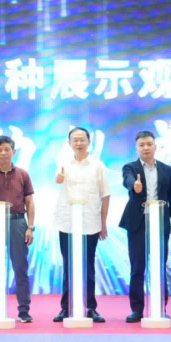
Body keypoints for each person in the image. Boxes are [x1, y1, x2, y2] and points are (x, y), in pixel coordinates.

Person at [119, 130, 171, 323]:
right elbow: (127, 180)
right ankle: (137, 310)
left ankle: (160, 307)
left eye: (149, 144)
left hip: (160, 223)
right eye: (142, 145)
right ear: (137, 148)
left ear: (155, 146)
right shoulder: (130, 167)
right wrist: (134, 186)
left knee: (160, 266)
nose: (146, 148)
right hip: (138, 223)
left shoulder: (166, 169)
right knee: (137, 268)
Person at [53, 127, 110, 324]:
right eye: (75, 140)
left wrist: (103, 223)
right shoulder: (63, 164)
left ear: (89, 142)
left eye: (82, 140)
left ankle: (90, 307)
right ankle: (66, 308)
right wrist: (59, 179)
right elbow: (57, 180)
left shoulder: (98, 166)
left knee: (88, 266)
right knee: (69, 266)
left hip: (90, 223)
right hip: (67, 223)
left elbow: (105, 195)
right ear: (69, 143)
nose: (79, 143)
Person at [0, 135, 35, 323]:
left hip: (18, 222)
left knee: (20, 267)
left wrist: (30, 227)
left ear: (14, 152)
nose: (3, 153)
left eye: (7, 149)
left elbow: (29, 201)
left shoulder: (22, 174)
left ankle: (24, 310)